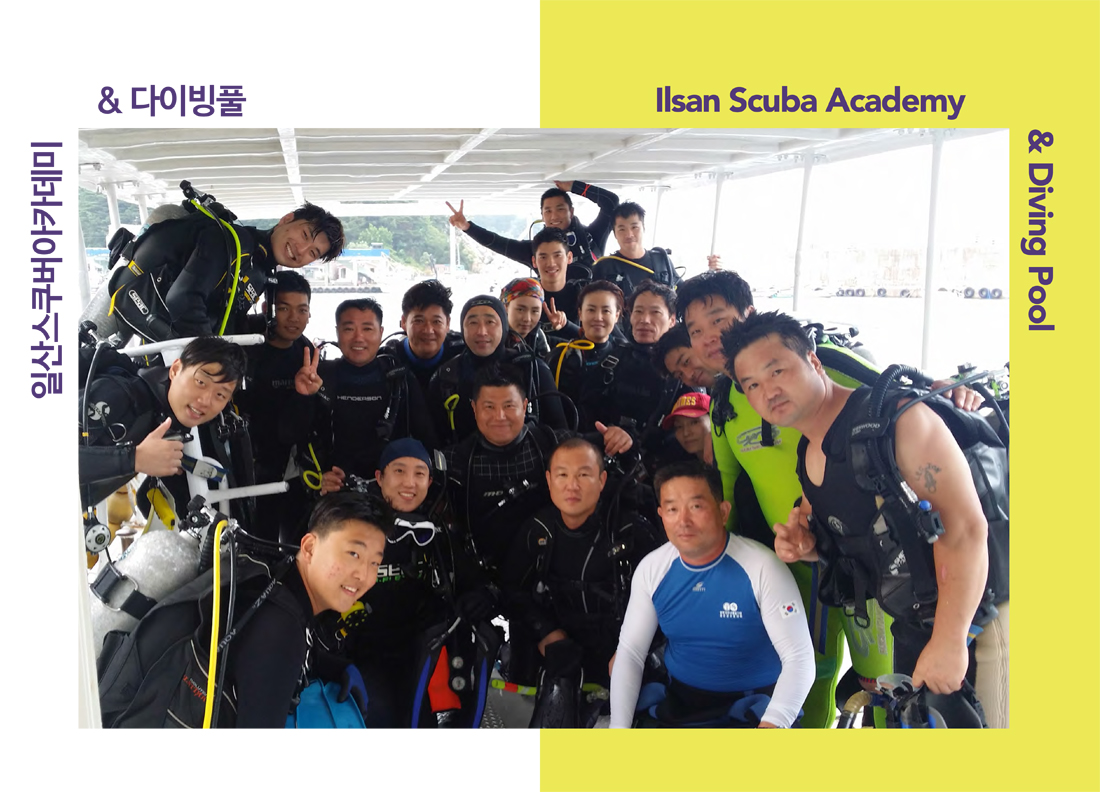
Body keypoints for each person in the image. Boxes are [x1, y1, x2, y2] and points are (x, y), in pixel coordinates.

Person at [676, 269, 969, 727]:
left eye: (718, 319)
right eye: (695, 330)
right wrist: (720, 563)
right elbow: (728, 487)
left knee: (885, 680)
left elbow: (899, 396)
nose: (710, 337)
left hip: (875, 560)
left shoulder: (821, 360)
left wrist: (953, 393)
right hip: (798, 560)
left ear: (748, 313)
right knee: (806, 672)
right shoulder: (725, 402)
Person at [725, 310, 1008, 727]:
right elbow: (836, 534)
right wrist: (804, 546)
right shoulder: (810, 453)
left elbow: (965, 529)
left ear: (814, 361)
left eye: (777, 370)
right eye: (752, 385)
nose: (768, 391)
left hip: (980, 618)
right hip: (917, 625)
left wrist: (950, 639)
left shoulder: (898, 422)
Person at [609, 460, 815, 728]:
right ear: (661, 515)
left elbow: (799, 659)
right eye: (672, 509)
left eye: (696, 507)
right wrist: (618, 729)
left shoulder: (763, 567)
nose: (683, 521)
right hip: (680, 703)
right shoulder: (652, 569)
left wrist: (773, 724)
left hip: (753, 707)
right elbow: (630, 652)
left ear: (723, 511)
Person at [502, 437, 665, 726]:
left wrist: (634, 649)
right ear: (549, 480)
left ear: (602, 480)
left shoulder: (630, 532)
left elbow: (670, 600)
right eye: (562, 475)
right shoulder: (538, 531)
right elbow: (512, 591)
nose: (572, 485)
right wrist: (546, 633)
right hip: (562, 651)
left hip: (626, 649)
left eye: (583, 475)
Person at [335, 438, 494, 727]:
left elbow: (474, 581)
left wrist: (481, 596)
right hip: (364, 651)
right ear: (379, 477)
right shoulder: (350, 527)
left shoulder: (437, 533)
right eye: (399, 471)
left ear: (430, 482)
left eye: (419, 473)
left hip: (421, 651)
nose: (409, 482)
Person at [443, 365, 634, 581]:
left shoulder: (552, 443)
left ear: (525, 406)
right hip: (483, 575)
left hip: (553, 571)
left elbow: (617, 451)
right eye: (489, 407)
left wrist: (621, 438)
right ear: (474, 408)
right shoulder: (455, 461)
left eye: (509, 405)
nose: (500, 416)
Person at [105, 201, 344, 342]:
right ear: (286, 219)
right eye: (304, 235)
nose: (301, 250)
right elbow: (183, 298)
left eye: (313, 253)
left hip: (174, 349)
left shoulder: (260, 269)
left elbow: (227, 319)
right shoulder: (231, 242)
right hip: (158, 337)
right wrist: (213, 358)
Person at [80, 336, 248, 515]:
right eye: (200, 382)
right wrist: (134, 459)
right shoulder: (117, 395)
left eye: (220, 395)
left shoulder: (167, 421)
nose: (205, 401)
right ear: (175, 370)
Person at [313, 298, 438, 494]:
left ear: (381, 332)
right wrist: (303, 396)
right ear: (337, 332)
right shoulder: (320, 377)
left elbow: (428, 442)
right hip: (334, 490)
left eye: (367, 329)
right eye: (349, 329)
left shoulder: (399, 379)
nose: (358, 338)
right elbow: (290, 435)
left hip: (393, 493)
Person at [234, 271, 322, 543]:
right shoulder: (245, 346)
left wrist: (304, 396)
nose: (294, 318)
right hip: (246, 464)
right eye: (284, 308)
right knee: (255, 543)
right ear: (267, 308)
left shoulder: (306, 354)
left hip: (289, 467)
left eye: (302, 310)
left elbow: (297, 429)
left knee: (293, 544)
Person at [428, 295, 568, 445]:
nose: (482, 331)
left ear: (504, 326)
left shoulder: (533, 369)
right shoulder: (446, 377)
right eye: (473, 323)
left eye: (490, 322)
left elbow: (560, 434)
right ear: (463, 328)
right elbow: (436, 443)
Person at [447, 180, 620, 266]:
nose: (554, 216)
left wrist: (574, 186)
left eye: (560, 209)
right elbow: (500, 243)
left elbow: (611, 202)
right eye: (548, 211)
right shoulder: (535, 250)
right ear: (542, 216)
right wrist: (467, 227)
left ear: (571, 212)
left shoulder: (592, 237)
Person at [382, 279, 466, 392]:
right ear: (404, 322)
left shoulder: (463, 352)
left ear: (447, 323)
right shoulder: (388, 361)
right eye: (418, 321)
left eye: (436, 321)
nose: (428, 330)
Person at [592, 202, 680, 298]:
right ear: (615, 234)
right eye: (622, 229)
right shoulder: (604, 267)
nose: (629, 234)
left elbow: (682, 294)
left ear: (643, 228)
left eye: (634, 227)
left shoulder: (662, 260)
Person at [501, 277, 552, 358]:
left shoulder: (538, 335)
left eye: (535, 311)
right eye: (520, 310)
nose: (527, 319)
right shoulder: (493, 335)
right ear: (506, 307)